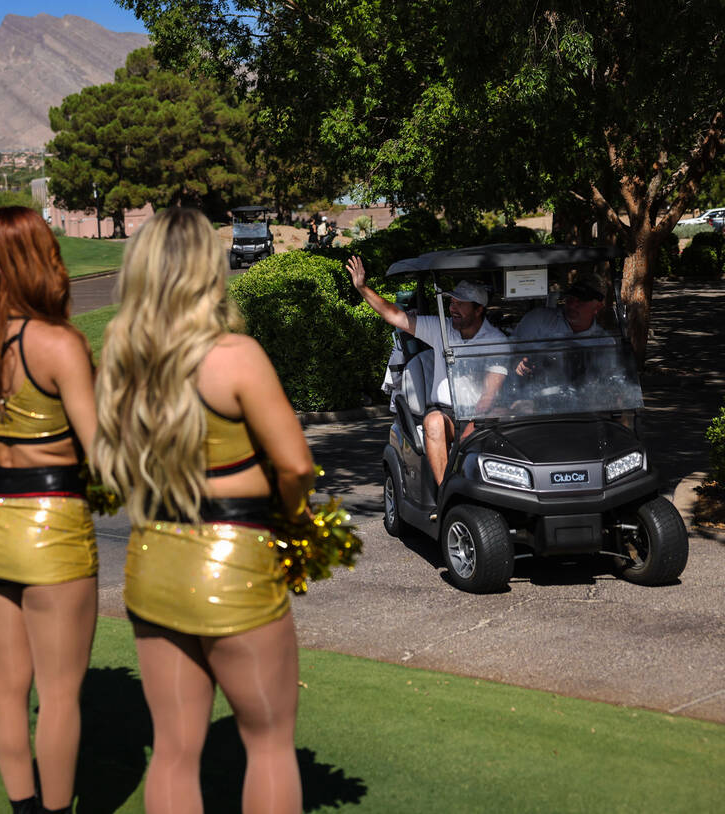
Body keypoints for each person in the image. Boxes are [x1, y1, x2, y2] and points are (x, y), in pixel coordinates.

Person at [92, 207, 315, 814]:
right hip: (235, 561)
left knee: (173, 749)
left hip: (152, 559)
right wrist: (294, 524)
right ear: (207, 273)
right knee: (268, 746)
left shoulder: (121, 359)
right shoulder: (235, 354)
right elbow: (295, 466)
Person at [0, 206, 98, 814]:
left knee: (7, 685)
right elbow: (101, 449)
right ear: (43, 257)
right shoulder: (60, 344)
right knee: (59, 693)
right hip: (52, 525)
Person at [346, 257, 507, 486]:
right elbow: (394, 316)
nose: (453, 308)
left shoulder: (496, 341)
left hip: (482, 416)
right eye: (452, 302)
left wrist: (473, 424)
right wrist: (362, 288)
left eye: (460, 303)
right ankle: (445, 493)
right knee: (432, 421)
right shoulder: (442, 328)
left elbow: (489, 394)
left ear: (479, 309)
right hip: (448, 415)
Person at [512, 271, 606, 376]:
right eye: (570, 298)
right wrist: (519, 364)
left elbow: (607, 380)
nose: (572, 305)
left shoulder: (604, 342)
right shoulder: (538, 320)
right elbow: (510, 353)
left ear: (597, 307)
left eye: (581, 301)